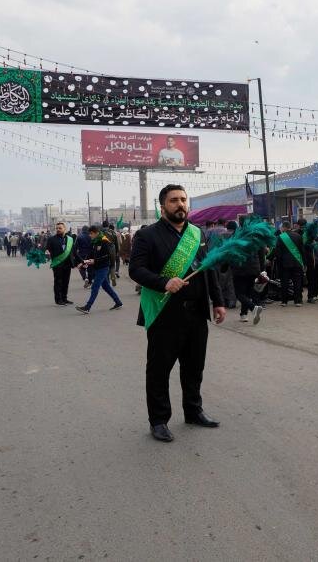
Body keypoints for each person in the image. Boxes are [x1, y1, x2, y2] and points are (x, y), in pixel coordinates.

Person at [129, 184, 226, 443]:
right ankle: (159, 420)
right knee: (159, 371)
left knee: (194, 368)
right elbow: (136, 270)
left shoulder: (197, 234)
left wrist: (218, 301)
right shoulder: (147, 235)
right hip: (164, 315)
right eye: (174, 200)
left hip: (196, 315)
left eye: (183, 200)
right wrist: (164, 283)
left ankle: (193, 411)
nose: (180, 204)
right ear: (163, 206)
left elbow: (210, 269)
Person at [75, 225, 124, 314]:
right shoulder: (95, 241)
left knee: (95, 286)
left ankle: (87, 307)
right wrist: (83, 262)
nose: (90, 235)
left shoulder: (105, 241)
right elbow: (91, 253)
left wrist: (95, 261)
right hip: (98, 267)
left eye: (91, 234)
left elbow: (107, 256)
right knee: (106, 286)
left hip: (104, 267)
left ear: (96, 233)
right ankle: (118, 302)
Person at [232, 219, 267, 324]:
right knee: (247, 292)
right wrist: (262, 269)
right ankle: (243, 315)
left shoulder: (237, 235)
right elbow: (262, 253)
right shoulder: (256, 234)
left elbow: (230, 252)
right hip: (254, 269)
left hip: (240, 269)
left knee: (239, 293)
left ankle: (253, 308)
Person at [271, 221, 306, 306]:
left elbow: (277, 252)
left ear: (284, 227)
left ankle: (284, 301)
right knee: (297, 282)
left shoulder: (280, 237)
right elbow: (302, 251)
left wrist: (275, 262)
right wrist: (304, 263)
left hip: (284, 264)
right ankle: (298, 301)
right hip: (297, 263)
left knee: (284, 283)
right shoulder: (298, 236)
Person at [45, 221, 75, 306]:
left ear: (64, 229)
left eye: (60, 228)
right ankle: (58, 300)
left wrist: (80, 262)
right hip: (57, 264)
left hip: (67, 264)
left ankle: (64, 298)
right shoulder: (51, 239)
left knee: (66, 282)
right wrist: (46, 253)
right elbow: (47, 250)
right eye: (57, 228)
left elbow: (73, 252)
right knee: (58, 282)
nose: (58, 230)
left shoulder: (69, 239)